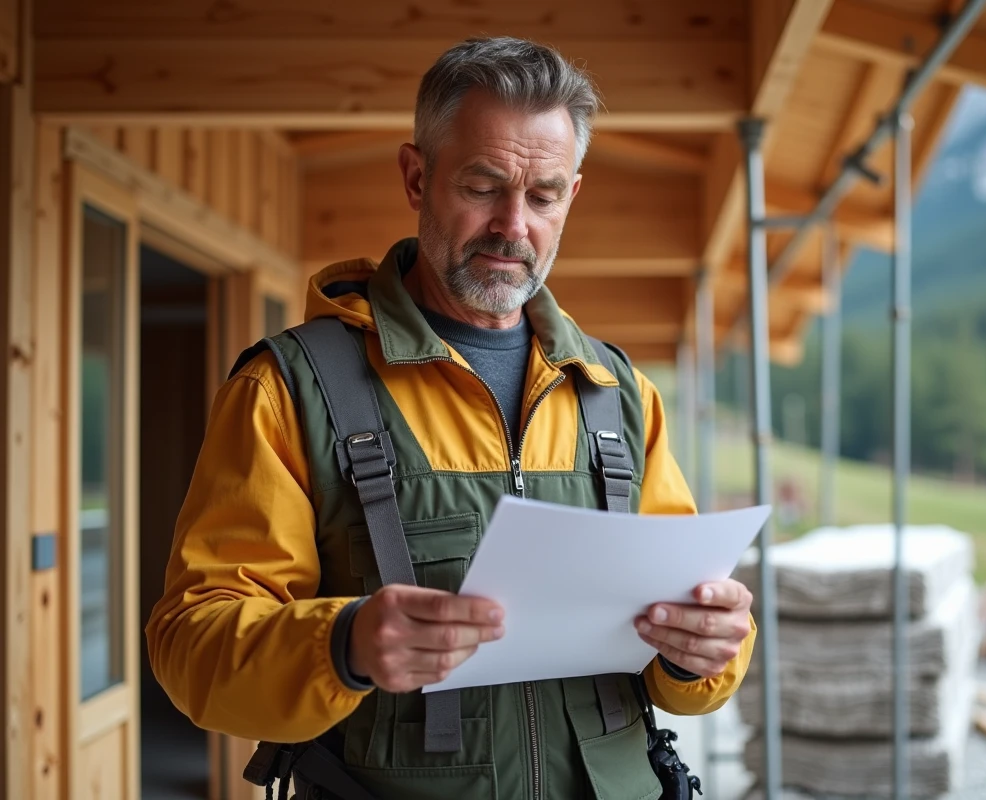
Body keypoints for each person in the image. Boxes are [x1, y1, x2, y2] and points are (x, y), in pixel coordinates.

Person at [146, 35, 757, 800]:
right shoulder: (291, 387)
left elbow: (691, 659)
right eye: (483, 185)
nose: (513, 225)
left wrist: (704, 650)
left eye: (543, 196)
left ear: (572, 194)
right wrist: (343, 644)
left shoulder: (620, 393)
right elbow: (191, 648)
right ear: (416, 175)